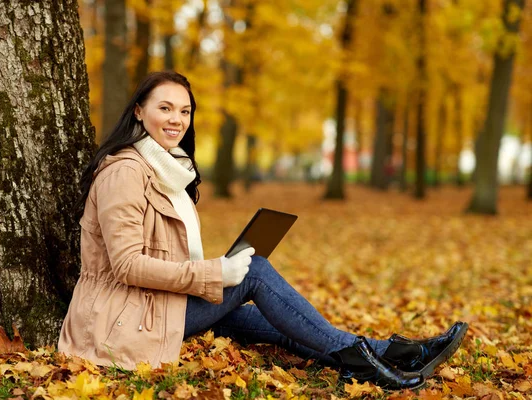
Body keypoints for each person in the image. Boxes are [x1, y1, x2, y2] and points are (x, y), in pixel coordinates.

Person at [58, 71, 468, 390]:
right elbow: (127, 265)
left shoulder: (167, 169)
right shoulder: (126, 173)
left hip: (159, 305)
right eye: (165, 108)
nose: (177, 120)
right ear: (138, 111)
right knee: (254, 272)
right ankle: (373, 363)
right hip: (123, 319)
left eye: (185, 111)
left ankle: (396, 353)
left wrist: (211, 275)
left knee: (281, 325)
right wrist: (215, 274)